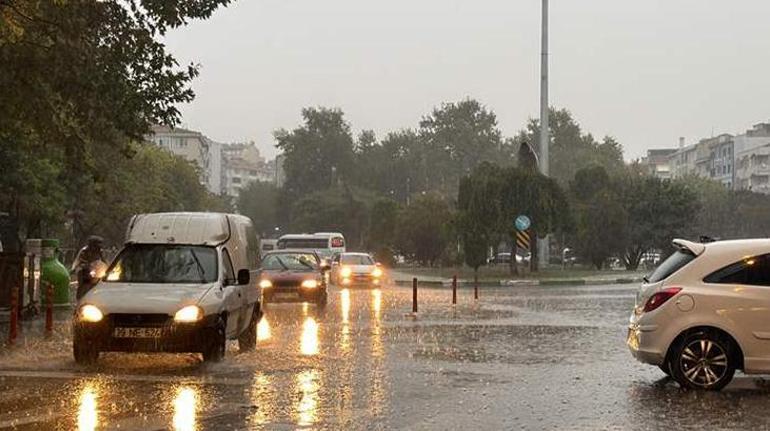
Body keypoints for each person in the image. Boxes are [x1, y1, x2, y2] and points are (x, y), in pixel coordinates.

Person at [72, 236, 105, 300]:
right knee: (82, 284)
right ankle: (79, 298)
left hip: (95, 269)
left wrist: (108, 267)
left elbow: (103, 260)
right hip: (83, 269)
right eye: (96, 244)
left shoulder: (100, 251)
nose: (98, 246)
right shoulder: (84, 251)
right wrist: (86, 265)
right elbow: (80, 261)